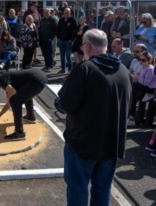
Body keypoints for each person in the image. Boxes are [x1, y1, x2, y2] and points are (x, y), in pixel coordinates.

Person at [56, 29, 132, 206]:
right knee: (103, 189)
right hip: (111, 144)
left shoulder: (84, 69)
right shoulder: (123, 71)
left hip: (83, 144)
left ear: (88, 46)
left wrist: (60, 102)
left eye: (83, 44)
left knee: (78, 188)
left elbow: (64, 104)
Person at [0, 69, 47, 140]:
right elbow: (9, 102)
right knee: (24, 95)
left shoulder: (1, 79)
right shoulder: (6, 77)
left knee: (16, 101)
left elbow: (11, 98)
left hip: (36, 80)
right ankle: (30, 116)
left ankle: (19, 132)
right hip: (41, 77)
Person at [128, 51, 156, 127]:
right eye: (140, 60)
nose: (141, 62)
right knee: (134, 93)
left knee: (134, 88)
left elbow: (146, 83)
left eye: (143, 60)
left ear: (149, 60)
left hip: (152, 89)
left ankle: (131, 117)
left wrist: (136, 77)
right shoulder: (144, 67)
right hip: (145, 88)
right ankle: (132, 117)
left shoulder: (150, 69)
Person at [56, 8, 78, 73]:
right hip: (61, 41)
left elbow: (75, 31)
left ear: (70, 13)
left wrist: (72, 40)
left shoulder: (73, 20)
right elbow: (58, 29)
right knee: (62, 56)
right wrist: (58, 38)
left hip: (69, 41)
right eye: (65, 12)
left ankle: (70, 69)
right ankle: (63, 69)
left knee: (68, 56)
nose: (66, 14)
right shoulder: (61, 19)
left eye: (67, 12)